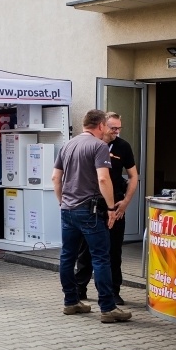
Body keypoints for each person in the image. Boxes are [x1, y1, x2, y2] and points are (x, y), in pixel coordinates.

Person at [52, 109, 132, 323]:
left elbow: (55, 178)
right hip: (90, 210)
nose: (108, 130)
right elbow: (104, 180)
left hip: (68, 209)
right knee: (101, 258)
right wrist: (111, 208)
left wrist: (62, 201)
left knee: (68, 256)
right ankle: (107, 307)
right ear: (100, 126)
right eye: (107, 126)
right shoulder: (99, 146)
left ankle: (71, 301)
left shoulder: (68, 144)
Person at [75, 112, 138, 305]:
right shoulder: (92, 145)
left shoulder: (123, 146)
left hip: (116, 205)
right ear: (102, 126)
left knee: (113, 251)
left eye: (119, 128)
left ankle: (113, 291)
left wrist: (126, 201)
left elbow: (134, 175)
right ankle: (80, 289)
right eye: (113, 128)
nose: (117, 132)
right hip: (92, 205)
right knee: (85, 250)